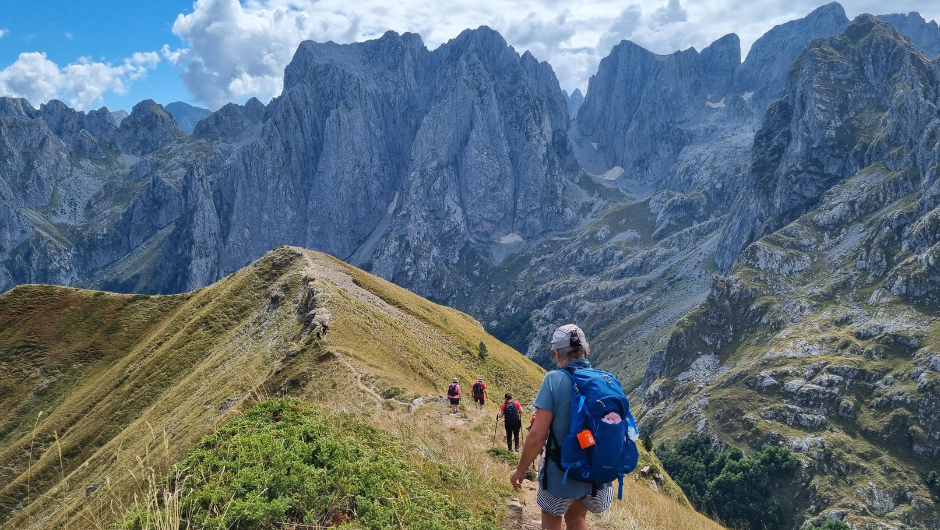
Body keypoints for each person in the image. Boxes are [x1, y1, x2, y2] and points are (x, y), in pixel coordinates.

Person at [509, 324, 613, 530]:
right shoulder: (605, 379)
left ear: (556, 354)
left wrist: (520, 470)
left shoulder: (553, 380)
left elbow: (537, 436)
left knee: (551, 514)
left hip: (561, 474)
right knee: (576, 518)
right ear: (586, 350)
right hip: (598, 474)